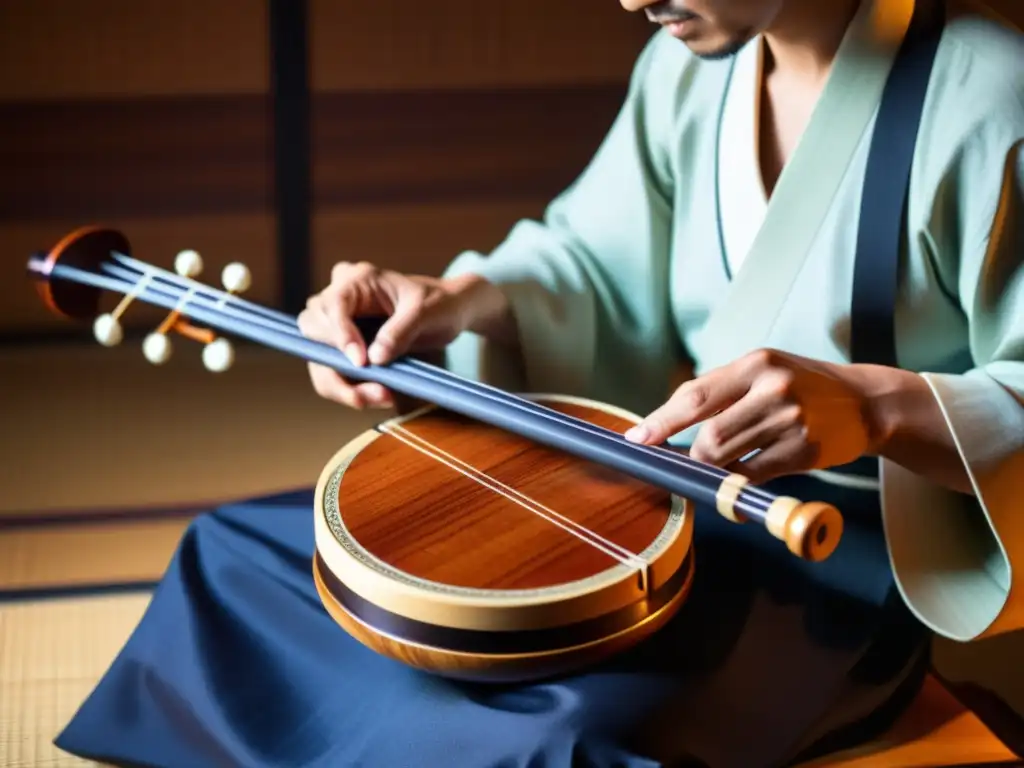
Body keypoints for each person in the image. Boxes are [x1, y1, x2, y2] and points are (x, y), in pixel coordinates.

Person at [56, 1, 1024, 766]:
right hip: (654, 494)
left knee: (542, 744)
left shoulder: (990, 97)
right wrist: (460, 300)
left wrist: (877, 409)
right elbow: (594, 266)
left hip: (827, 568)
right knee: (236, 559)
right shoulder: (689, 74)